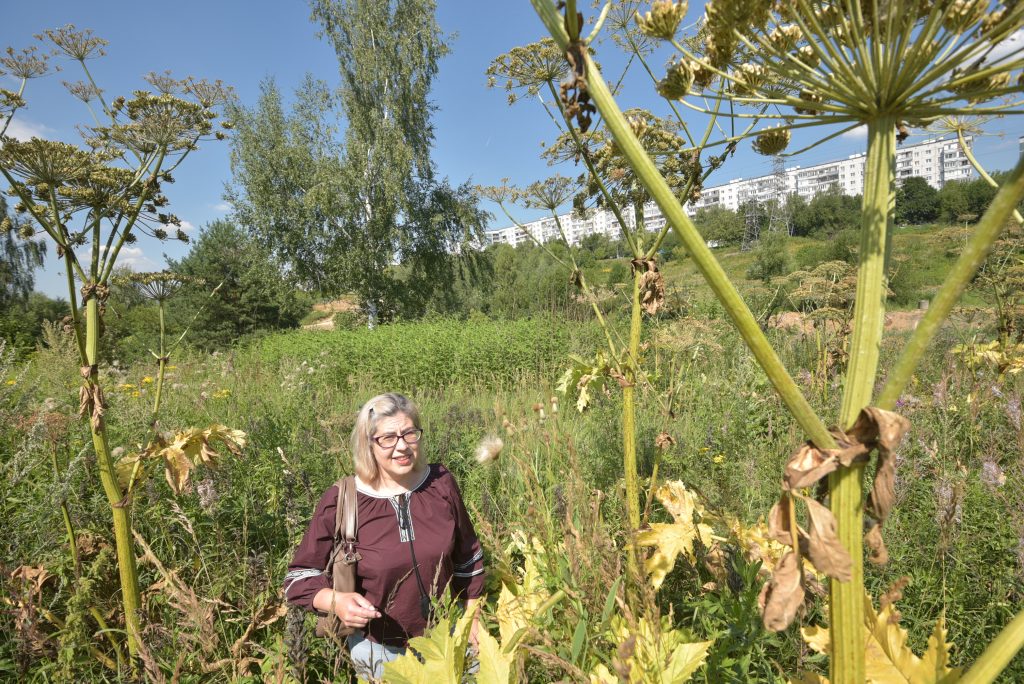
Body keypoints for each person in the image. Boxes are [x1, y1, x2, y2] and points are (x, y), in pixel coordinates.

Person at [284, 393, 485, 681]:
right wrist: (336, 601)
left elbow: (469, 557)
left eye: (409, 434)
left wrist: (471, 620)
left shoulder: (440, 484)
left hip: (448, 639)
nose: (402, 446)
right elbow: (298, 577)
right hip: (379, 651)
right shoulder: (344, 500)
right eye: (388, 438)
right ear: (368, 444)